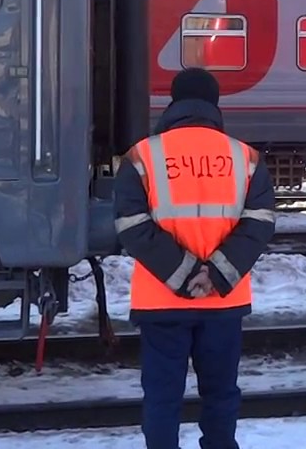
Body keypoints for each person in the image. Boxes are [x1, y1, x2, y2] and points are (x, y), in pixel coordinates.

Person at [113, 67, 277, 449]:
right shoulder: (246, 157)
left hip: (162, 302)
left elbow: (131, 225)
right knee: (220, 395)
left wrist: (185, 275)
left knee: (162, 398)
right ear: (214, 105)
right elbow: (259, 225)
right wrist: (214, 276)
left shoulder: (142, 156)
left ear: (174, 102)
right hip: (224, 300)